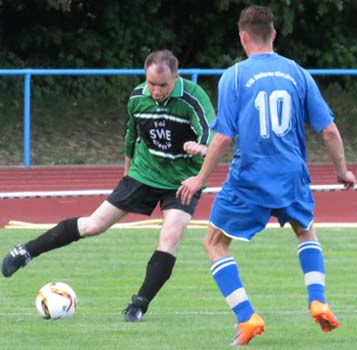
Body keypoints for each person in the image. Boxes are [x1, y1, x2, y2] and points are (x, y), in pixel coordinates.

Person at [177, 5, 356, 346]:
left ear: (243, 37)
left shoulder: (235, 76)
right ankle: (318, 299)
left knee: (214, 243)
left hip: (249, 178)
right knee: (306, 231)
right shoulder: (298, 73)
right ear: (274, 34)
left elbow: (223, 136)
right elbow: (329, 130)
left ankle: (247, 317)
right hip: (292, 176)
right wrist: (342, 170)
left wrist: (199, 178)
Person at [1, 49, 216, 322]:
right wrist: (127, 173)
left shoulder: (193, 98)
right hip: (144, 173)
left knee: (171, 236)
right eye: (151, 83)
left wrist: (201, 147)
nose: (155, 90)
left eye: (162, 85)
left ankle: (138, 305)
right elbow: (131, 136)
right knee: (94, 225)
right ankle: (26, 251)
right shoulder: (138, 98)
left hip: (183, 180)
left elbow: (212, 133)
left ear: (176, 77)